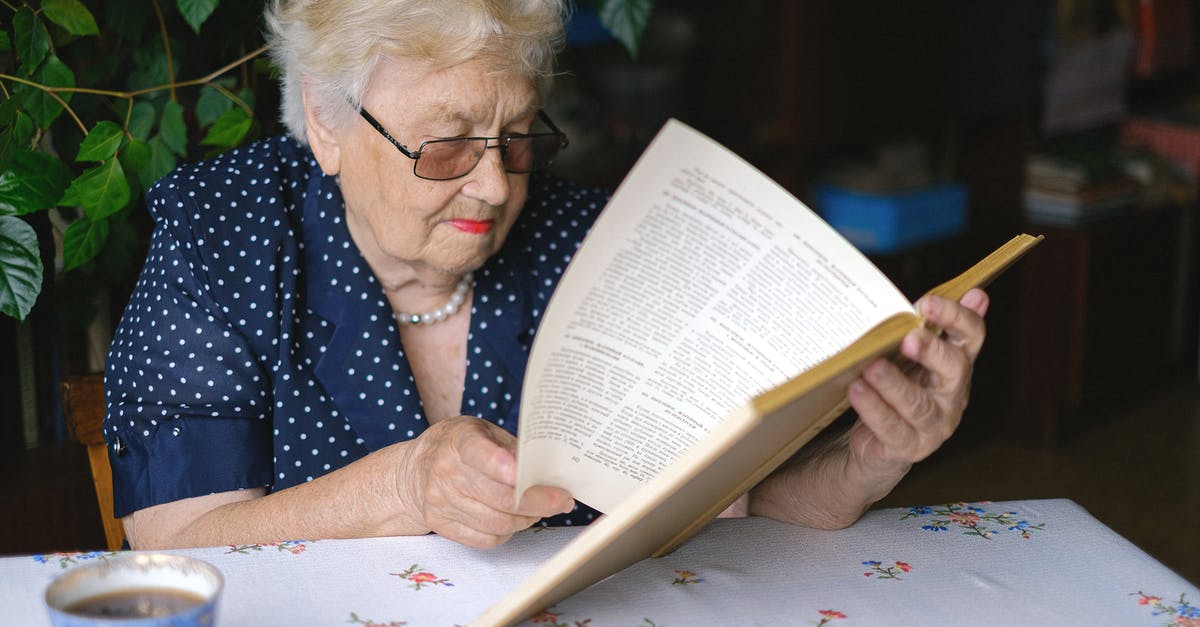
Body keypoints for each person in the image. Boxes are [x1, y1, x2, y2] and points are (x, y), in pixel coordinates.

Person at [104, 0, 990, 551]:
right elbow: (178, 542)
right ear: (328, 123)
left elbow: (734, 506)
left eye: (519, 137)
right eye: (447, 144)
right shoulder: (225, 235)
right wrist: (405, 486)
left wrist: (870, 459)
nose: (493, 185)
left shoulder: (587, 241)